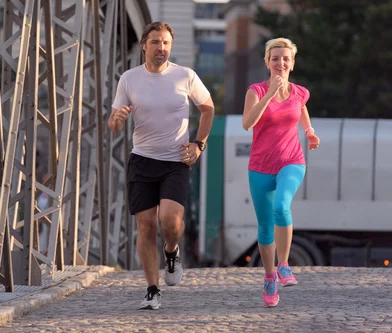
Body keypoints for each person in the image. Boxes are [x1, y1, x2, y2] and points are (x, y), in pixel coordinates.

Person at [108, 22, 215, 310]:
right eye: (155, 42)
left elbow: (208, 108)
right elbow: (114, 123)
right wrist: (117, 120)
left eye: (166, 42)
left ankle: (171, 251)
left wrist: (198, 144)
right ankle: (152, 290)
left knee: (170, 222)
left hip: (175, 161)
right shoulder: (129, 79)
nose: (161, 48)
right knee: (145, 227)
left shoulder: (185, 76)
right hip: (142, 160)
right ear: (144, 45)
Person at [241, 37, 320, 307]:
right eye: (275, 58)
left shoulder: (300, 92)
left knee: (282, 207)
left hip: (292, 161)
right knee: (264, 229)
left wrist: (308, 132)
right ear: (267, 62)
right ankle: (269, 276)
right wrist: (270, 95)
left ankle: (284, 264)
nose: (280, 63)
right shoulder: (256, 90)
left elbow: (301, 110)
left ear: (292, 64)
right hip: (260, 166)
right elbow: (247, 123)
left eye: (285, 58)